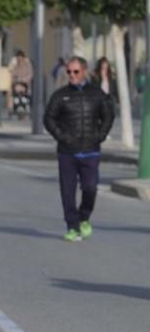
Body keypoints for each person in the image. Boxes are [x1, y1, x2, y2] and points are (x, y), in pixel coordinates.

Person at [43, 56, 114, 242]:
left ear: (84, 71)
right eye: (69, 72)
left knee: (90, 188)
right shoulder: (60, 95)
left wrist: (100, 135)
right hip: (67, 152)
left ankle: (84, 217)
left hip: (91, 151)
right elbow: (48, 119)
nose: (71, 75)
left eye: (75, 71)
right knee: (67, 191)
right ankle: (72, 226)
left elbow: (108, 115)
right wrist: (62, 137)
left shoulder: (97, 94)